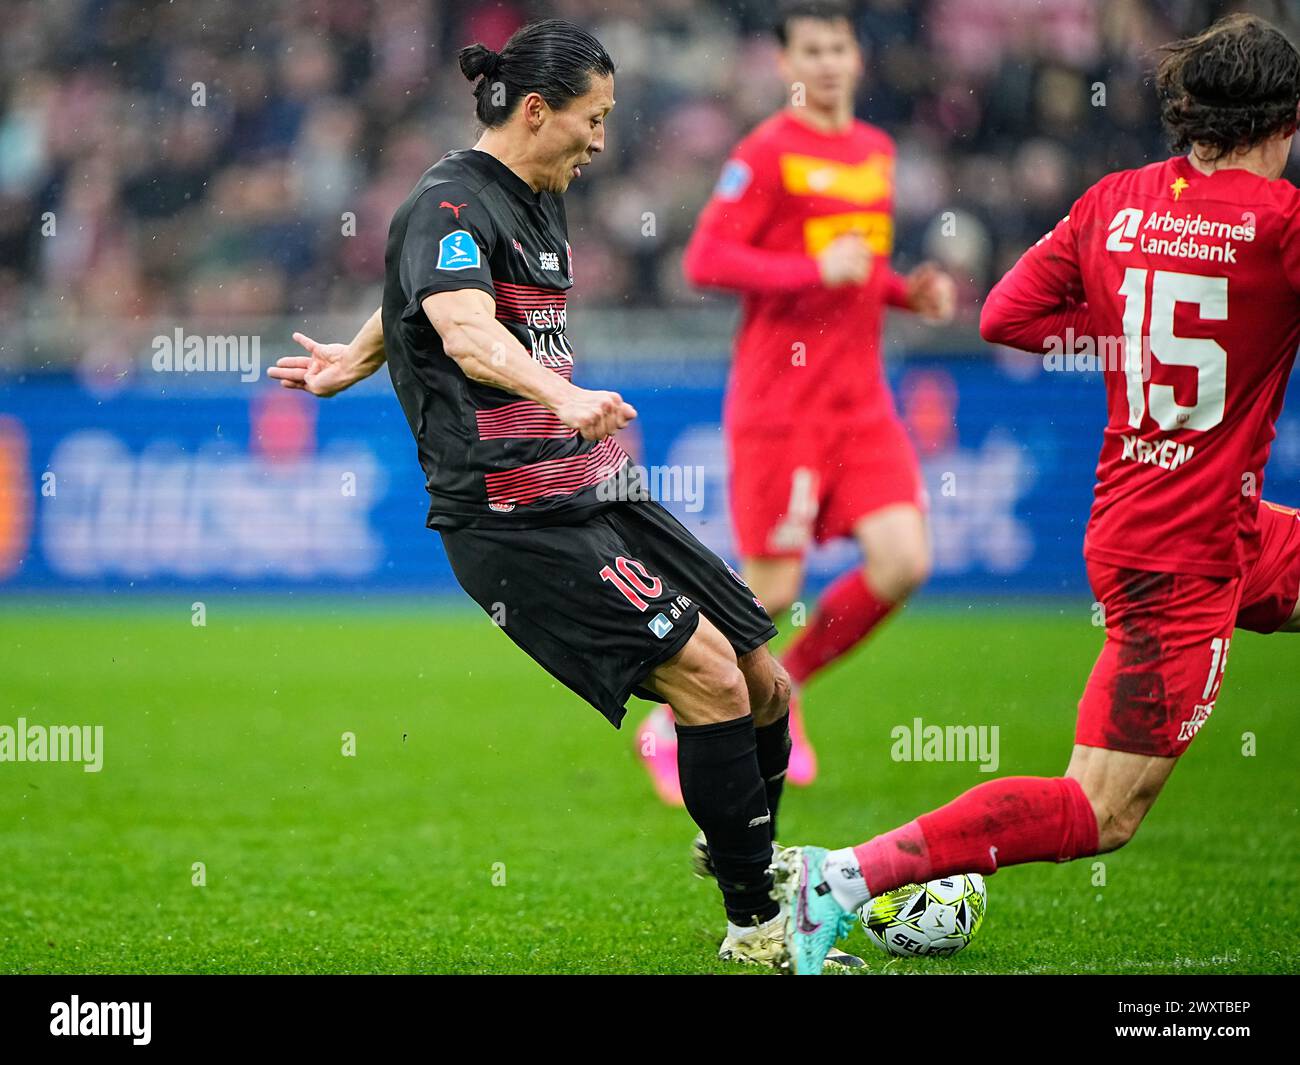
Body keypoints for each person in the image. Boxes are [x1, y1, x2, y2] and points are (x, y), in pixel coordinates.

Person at [269, 18, 860, 971]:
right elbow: (464, 330)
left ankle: (748, 854)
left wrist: (355, 354)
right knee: (707, 682)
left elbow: (411, 295)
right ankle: (758, 924)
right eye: (594, 119)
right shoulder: (450, 202)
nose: (601, 140)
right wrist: (564, 393)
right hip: (513, 516)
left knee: (762, 677)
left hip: (590, 489)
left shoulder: (536, 194)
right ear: (536, 110)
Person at [770, 12, 1300, 974]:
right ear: (1287, 118)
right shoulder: (1283, 226)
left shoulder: (1115, 202)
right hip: (1175, 557)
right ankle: (839, 876)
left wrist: (1128, 320)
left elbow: (1007, 314)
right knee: (1099, 810)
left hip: (1185, 520)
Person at [634, 0, 956, 807]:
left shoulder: (876, 152)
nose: (826, 63)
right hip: (781, 403)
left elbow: (857, 268)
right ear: (784, 66)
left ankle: (791, 685)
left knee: (904, 560)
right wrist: (818, 271)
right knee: (770, 590)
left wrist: (900, 292)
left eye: (837, 47)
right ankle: (674, 716)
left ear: (857, 58)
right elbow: (705, 259)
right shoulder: (767, 152)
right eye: (809, 50)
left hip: (861, 400)